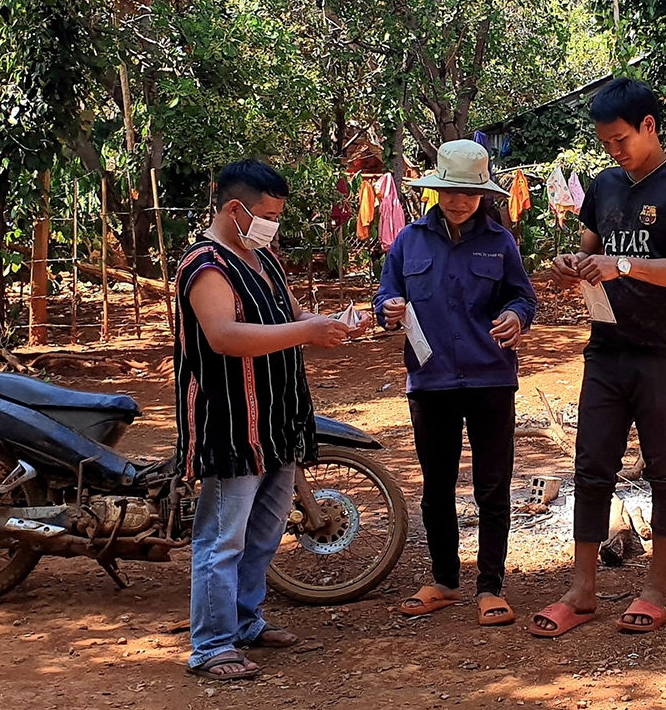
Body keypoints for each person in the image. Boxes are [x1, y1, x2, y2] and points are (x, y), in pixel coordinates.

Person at [533, 78, 666, 637]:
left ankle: (655, 587)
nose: (613, 150)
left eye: (620, 139)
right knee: (591, 468)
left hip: (662, 351)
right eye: (605, 141)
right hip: (606, 349)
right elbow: (590, 258)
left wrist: (627, 266)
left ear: (649, 126)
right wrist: (571, 269)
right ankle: (582, 589)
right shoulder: (603, 186)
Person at [174, 159, 368, 680]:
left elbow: (290, 316)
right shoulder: (205, 265)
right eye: (268, 215)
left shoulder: (264, 259)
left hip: (279, 421)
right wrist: (307, 333)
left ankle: (244, 623)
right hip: (232, 423)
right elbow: (224, 336)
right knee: (221, 539)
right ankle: (211, 646)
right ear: (235, 209)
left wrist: (331, 322)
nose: (273, 225)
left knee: (263, 533)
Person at [374, 139, 537, 628]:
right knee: (437, 487)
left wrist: (515, 316)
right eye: (451, 191)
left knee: (492, 487)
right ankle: (444, 580)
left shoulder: (500, 242)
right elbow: (387, 295)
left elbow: (523, 299)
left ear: (482, 195)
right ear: (436, 190)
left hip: (490, 379)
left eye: (469, 193)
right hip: (430, 382)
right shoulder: (409, 241)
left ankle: (490, 586)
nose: (459, 201)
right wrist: (389, 310)